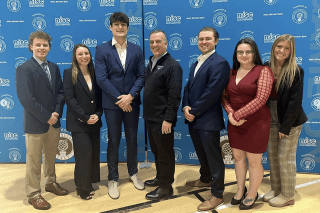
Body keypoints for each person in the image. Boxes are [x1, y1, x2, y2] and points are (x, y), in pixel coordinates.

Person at [95, 12, 145, 199]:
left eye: (123, 24)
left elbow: (141, 76)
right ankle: (113, 178)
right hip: (112, 104)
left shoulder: (136, 49)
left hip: (132, 103)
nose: (120, 27)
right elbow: (101, 78)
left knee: (132, 138)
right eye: (116, 24)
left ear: (127, 27)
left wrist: (130, 96)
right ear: (110, 27)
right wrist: (120, 99)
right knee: (114, 141)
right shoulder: (102, 49)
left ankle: (133, 173)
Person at [16, 31, 68, 210]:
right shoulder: (24, 68)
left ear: (49, 47)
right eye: (38, 45)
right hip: (36, 122)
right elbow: (26, 99)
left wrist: (56, 113)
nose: (42, 48)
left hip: (54, 121)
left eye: (45, 45)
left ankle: (50, 183)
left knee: (51, 156)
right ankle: (33, 194)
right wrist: (47, 116)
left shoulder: (54, 67)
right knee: (33, 160)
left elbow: (61, 93)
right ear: (31, 46)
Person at [221, 38, 274, 210]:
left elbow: (261, 99)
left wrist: (237, 115)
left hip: (257, 122)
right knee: (237, 158)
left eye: (248, 52)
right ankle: (239, 190)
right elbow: (224, 96)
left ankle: (252, 194)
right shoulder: (230, 72)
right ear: (236, 54)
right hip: (235, 122)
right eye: (240, 52)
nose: (244, 55)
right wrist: (230, 114)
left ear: (254, 53)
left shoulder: (263, 71)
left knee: (254, 161)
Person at [182, 27, 230, 211]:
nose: (203, 42)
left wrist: (193, 110)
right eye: (201, 39)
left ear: (216, 41)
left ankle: (217, 194)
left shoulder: (220, 63)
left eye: (208, 39)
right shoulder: (196, 63)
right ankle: (205, 179)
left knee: (213, 157)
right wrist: (186, 106)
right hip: (194, 117)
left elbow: (213, 92)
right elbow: (188, 88)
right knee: (202, 154)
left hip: (208, 119)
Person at [263, 34, 307, 207]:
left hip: (290, 119)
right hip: (270, 117)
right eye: (279, 46)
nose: (282, 50)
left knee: (285, 157)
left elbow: (295, 102)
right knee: (273, 156)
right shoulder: (266, 67)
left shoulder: (296, 70)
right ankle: (276, 189)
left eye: (286, 48)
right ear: (273, 47)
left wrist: (285, 127)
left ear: (291, 51)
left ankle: (287, 195)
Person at [143, 29, 182, 200]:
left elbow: (174, 96)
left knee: (165, 153)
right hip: (151, 118)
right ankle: (160, 177)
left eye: (158, 42)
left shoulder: (172, 65)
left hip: (162, 120)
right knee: (157, 152)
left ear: (166, 43)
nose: (154, 45)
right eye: (152, 42)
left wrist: (168, 119)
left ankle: (166, 187)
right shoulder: (152, 62)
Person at [63, 44, 103, 200]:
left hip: (95, 121)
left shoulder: (95, 73)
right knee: (83, 155)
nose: (84, 56)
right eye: (80, 54)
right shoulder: (69, 73)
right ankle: (82, 188)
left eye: (86, 53)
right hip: (79, 123)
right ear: (75, 56)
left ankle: (88, 183)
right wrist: (85, 117)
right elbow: (69, 99)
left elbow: (99, 98)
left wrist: (98, 115)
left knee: (92, 154)